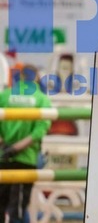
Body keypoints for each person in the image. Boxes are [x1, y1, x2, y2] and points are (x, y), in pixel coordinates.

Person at [0, 64, 52, 223]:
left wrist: (5, 145)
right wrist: (16, 148)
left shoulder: (5, 95)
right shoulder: (41, 99)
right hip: (26, 158)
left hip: (2, 156)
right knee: (18, 209)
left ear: (20, 76)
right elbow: (39, 131)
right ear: (36, 77)